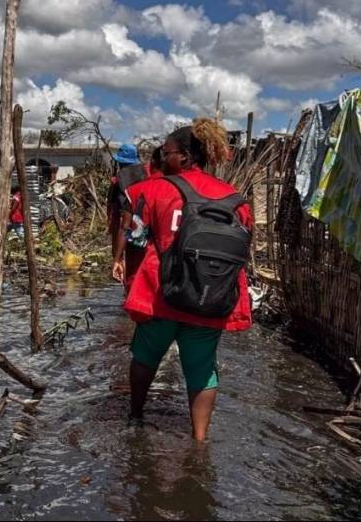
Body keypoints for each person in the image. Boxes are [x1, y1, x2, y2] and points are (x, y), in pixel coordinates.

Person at [122, 119, 252, 441]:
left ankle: (136, 417)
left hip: (161, 296)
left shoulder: (153, 190)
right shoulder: (237, 200)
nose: (161, 158)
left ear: (184, 157)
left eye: (166, 152)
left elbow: (136, 243)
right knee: (203, 369)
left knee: (145, 357)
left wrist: (132, 289)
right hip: (212, 299)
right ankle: (199, 440)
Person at [112, 146, 163, 291]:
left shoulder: (123, 182)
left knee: (132, 274)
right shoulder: (147, 177)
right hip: (149, 232)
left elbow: (123, 223)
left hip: (134, 229)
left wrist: (117, 256)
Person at [106, 143, 146, 259]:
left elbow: (113, 205)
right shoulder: (144, 174)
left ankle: (118, 263)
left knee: (121, 258)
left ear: (120, 162)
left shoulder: (120, 179)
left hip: (123, 222)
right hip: (142, 222)